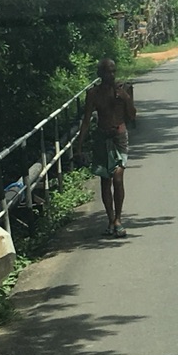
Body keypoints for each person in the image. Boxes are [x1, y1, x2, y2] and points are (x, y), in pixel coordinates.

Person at [77, 57, 137, 238]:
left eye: (113, 71)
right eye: (107, 72)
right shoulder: (93, 94)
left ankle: (118, 218)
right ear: (100, 74)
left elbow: (133, 116)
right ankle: (111, 219)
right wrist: (78, 146)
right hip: (102, 137)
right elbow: (86, 121)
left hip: (119, 136)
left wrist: (125, 99)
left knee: (118, 178)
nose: (111, 75)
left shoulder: (123, 91)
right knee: (105, 180)